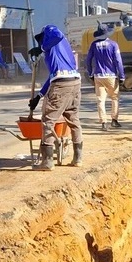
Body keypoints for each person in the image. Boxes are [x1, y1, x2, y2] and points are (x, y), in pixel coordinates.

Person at [27, 25, 83, 171]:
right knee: (73, 119)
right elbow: (54, 77)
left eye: (41, 42)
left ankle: (47, 162)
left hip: (62, 85)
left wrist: (41, 48)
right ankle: (78, 158)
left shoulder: (51, 34)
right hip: (74, 82)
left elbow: (56, 33)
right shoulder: (60, 49)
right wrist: (38, 96)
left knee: (47, 122)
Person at [85, 26, 125, 130]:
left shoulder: (93, 45)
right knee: (114, 98)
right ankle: (114, 120)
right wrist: (122, 76)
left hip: (98, 76)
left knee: (100, 100)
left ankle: (103, 122)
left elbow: (88, 60)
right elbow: (118, 61)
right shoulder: (113, 44)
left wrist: (90, 74)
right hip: (111, 76)